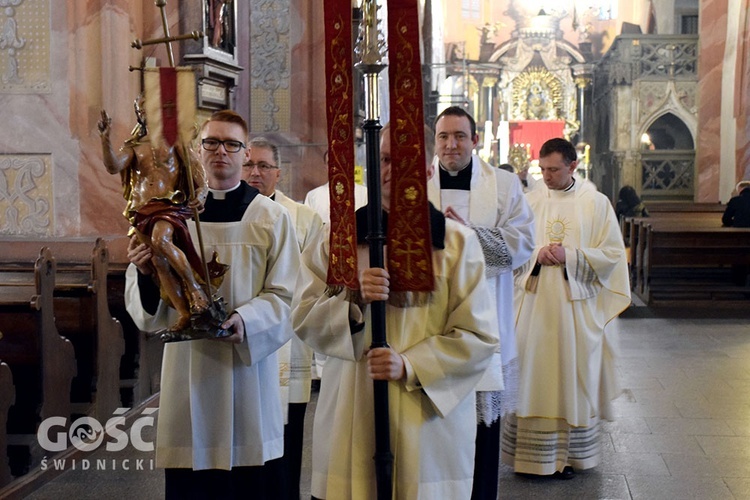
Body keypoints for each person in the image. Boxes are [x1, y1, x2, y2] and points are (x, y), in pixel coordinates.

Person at [291, 123, 499, 499]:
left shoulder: (456, 243)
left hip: (426, 417)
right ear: (370, 164)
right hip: (352, 408)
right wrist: (352, 300)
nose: (392, 170)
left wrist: (410, 364)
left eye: (404, 160)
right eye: (385, 159)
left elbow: (479, 337)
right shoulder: (337, 239)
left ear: (427, 169)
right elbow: (303, 315)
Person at [125, 110, 300, 499]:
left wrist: (245, 320)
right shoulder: (170, 219)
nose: (221, 152)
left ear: (245, 153)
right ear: (197, 150)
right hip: (189, 372)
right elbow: (149, 309)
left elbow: (289, 296)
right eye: (211, 143)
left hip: (246, 374)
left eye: (231, 144)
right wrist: (142, 271)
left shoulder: (271, 218)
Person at [501, 138, 630, 479]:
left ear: (573, 166)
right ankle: (529, 458)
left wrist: (570, 256)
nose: (546, 176)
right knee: (531, 374)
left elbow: (613, 255)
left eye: (554, 169)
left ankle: (569, 457)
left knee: (570, 376)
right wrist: (537, 255)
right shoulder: (527, 202)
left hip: (575, 311)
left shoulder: (596, 204)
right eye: (542, 169)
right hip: (533, 306)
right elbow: (511, 251)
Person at [429, 106, 535, 500]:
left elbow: (523, 243)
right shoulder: (414, 183)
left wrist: (467, 235)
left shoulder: (504, 185)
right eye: (443, 137)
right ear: (435, 142)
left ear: (475, 140)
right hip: (433, 317)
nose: (451, 145)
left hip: (486, 317)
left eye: (459, 136)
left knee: (482, 429)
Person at [242, 136, 324, 499]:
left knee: (288, 440)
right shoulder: (222, 214)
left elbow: (316, 282)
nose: (255, 173)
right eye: (249, 165)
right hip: (241, 337)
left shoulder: (304, 218)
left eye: (263, 166)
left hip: (289, 343)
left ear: (278, 172)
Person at [99, 100, 210, 333]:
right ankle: (184, 313)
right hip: (141, 209)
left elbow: (195, 170)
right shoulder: (133, 146)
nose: (146, 114)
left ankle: (196, 291)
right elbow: (113, 166)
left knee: (161, 242)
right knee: (159, 261)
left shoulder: (174, 141)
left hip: (167, 203)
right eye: (141, 111)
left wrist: (201, 192)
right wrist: (105, 139)